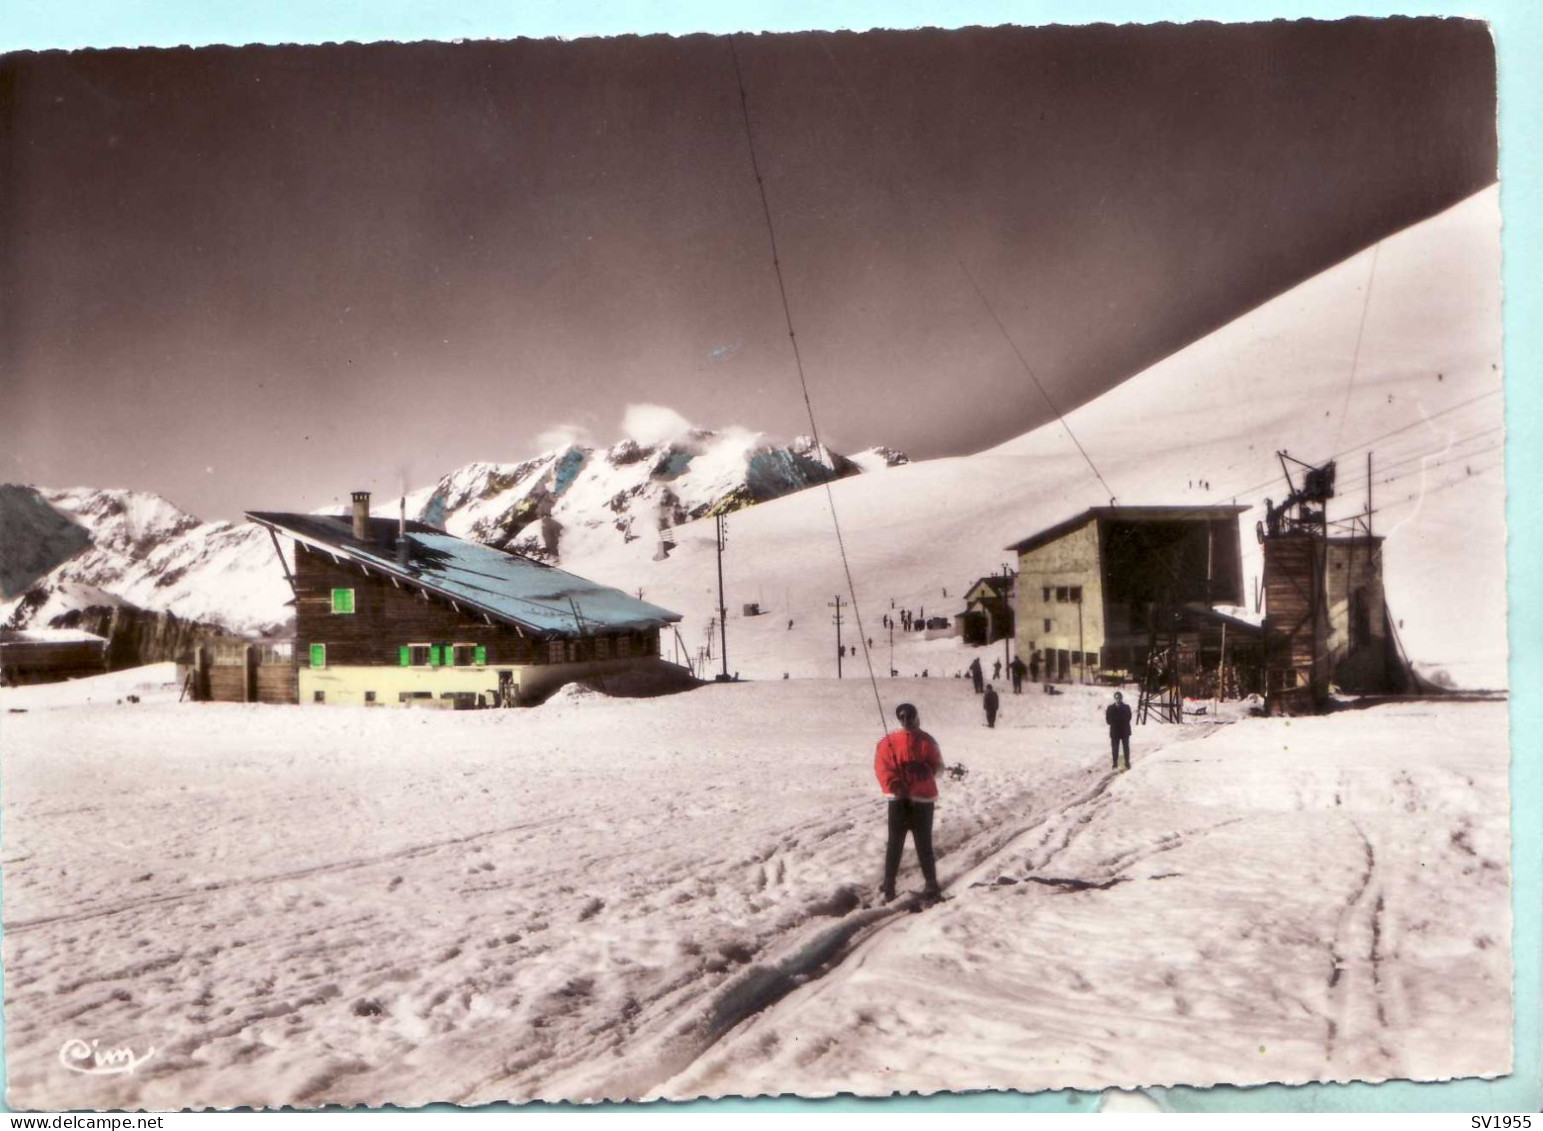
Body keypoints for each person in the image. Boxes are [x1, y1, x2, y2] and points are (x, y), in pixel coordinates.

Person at [874, 702, 944, 903]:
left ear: (916, 716)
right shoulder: (888, 742)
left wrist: (927, 770)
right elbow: (882, 767)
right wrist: (894, 783)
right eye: (902, 717)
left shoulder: (928, 741)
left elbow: (938, 766)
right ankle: (889, 885)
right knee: (895, 844)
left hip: (923, 800)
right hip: (899, 801)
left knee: (924, 844)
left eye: (910, 716)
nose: (906, 720)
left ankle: (931, 884)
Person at [1106, 690, 1133, 771]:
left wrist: (1116, 720)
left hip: (1124, 731)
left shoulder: (1126, 707)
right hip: (1115, 732)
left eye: (1119, 698)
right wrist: (1119, 719)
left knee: (1126, 748)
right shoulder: (1110, 708)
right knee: (1115, 749)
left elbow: (1128, 718)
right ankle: (1115, 763)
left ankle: (1127, 762)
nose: (1118, 699)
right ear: (1114, 698)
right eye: (1116, 698)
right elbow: (1108, 720)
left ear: (1121, 698)